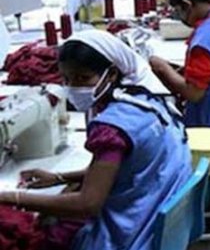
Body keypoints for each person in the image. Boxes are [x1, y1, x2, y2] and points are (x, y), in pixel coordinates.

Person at [0, 30, 192, 249]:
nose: (73, 87)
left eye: (83, 78)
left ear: (111, 74)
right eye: (66, 79)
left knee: (34, 235)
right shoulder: (146, 101)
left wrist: (14, 198)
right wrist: (59, 177)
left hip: (131, 235)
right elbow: (130, 169)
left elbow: (88, 204)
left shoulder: (112, 130)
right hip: (156, 219)